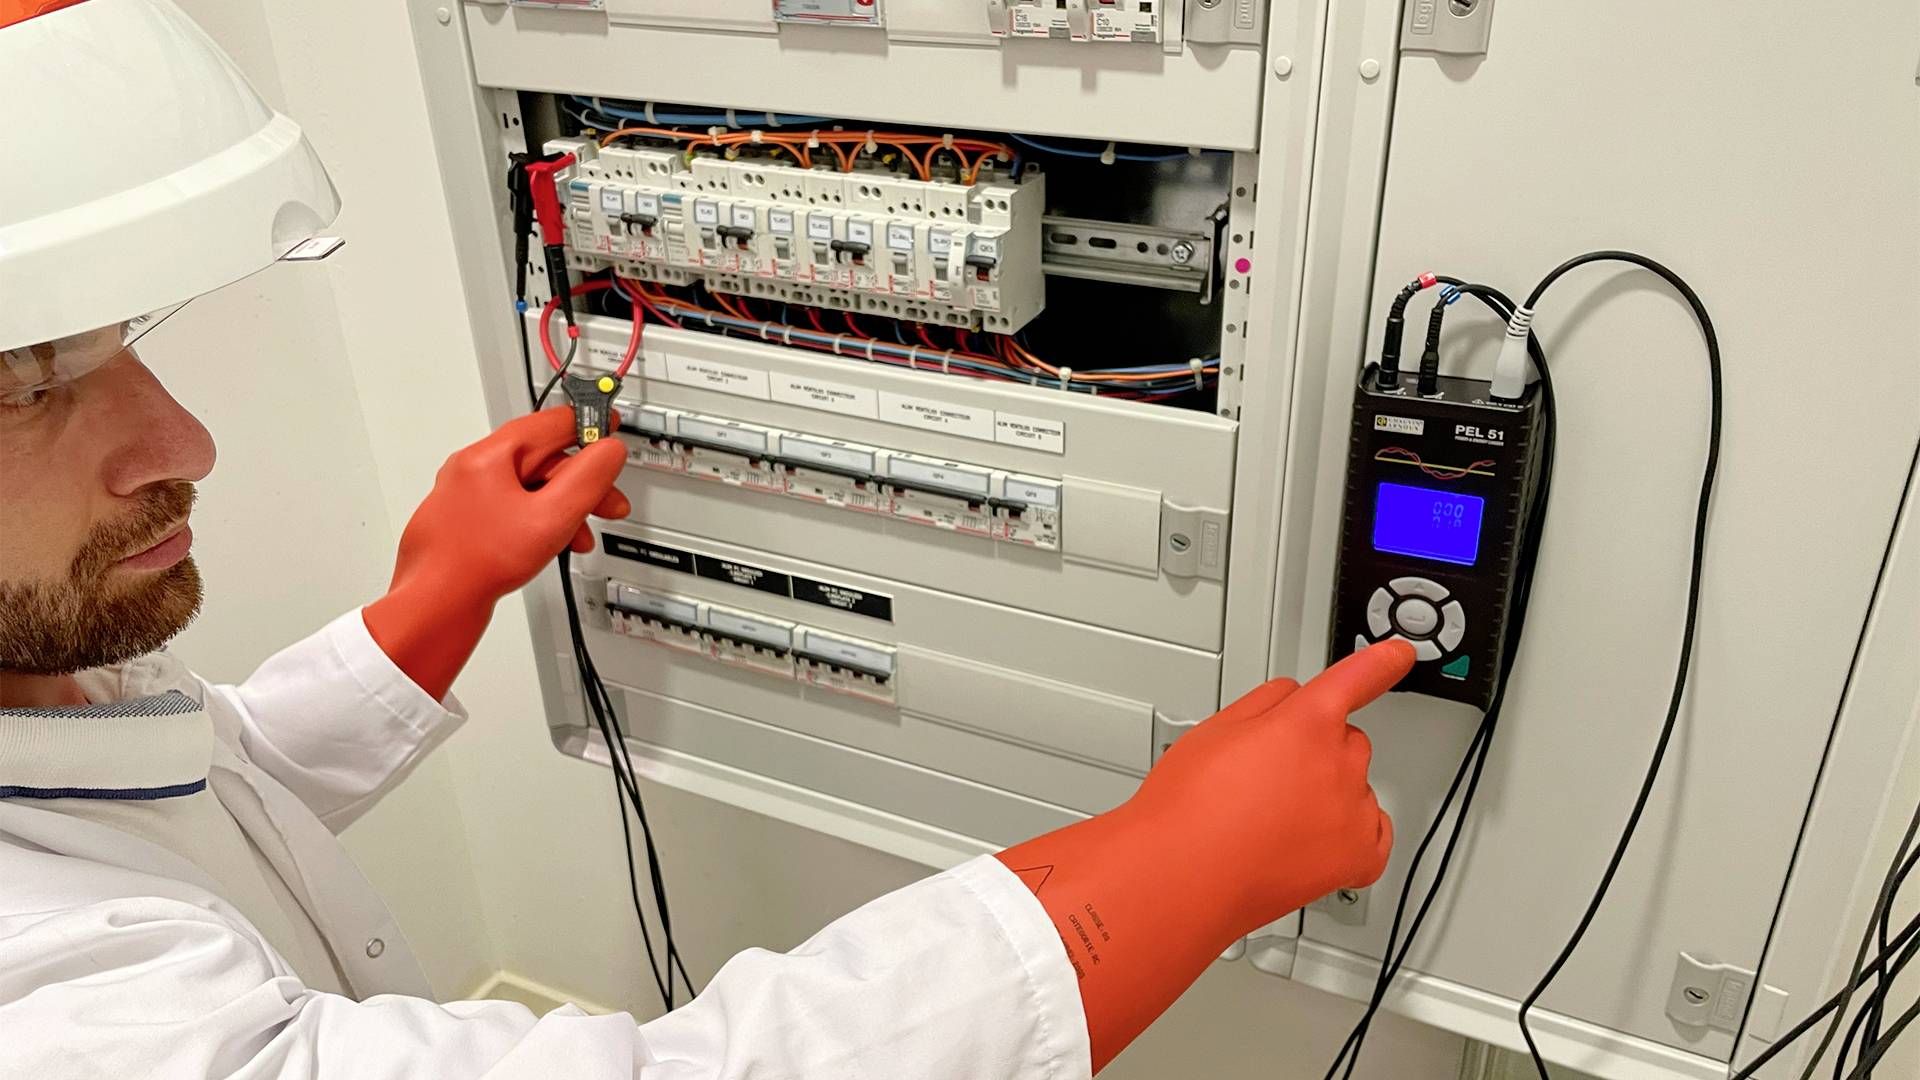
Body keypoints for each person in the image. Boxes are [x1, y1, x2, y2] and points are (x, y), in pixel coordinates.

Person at [0, 0, 1415, 1075]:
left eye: (116, 343)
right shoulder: (52, 1009)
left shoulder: (40, 688)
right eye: (26, 388)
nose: (183, 444)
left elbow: (194, 782)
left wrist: (431, 602)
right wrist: (1174, 872)